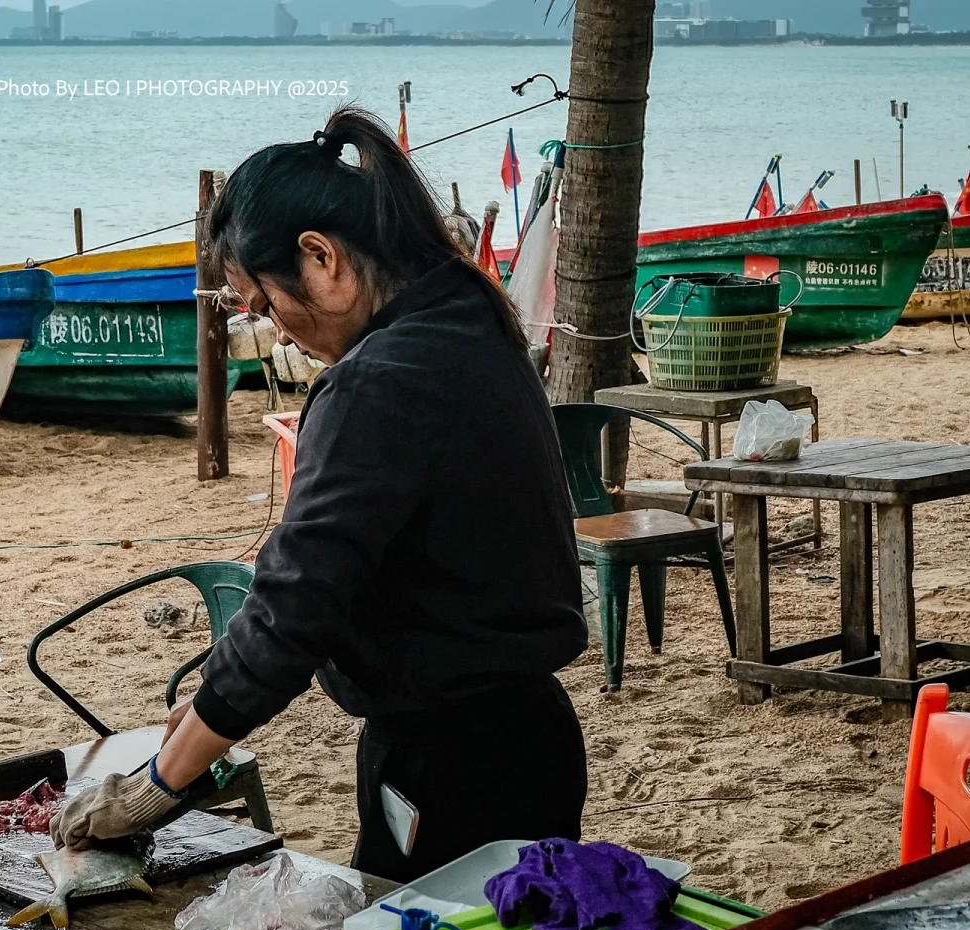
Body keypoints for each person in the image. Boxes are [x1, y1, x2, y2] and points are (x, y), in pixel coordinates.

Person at [50, 108, 589, 882]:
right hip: (528, 740)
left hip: (452, 763)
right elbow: (310, 567)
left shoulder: (378, 382)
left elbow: (296, 604)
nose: (277, 330)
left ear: (320, 257)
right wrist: (199, 714)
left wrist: (158, 784)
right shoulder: (466, 316)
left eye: (266, 304)